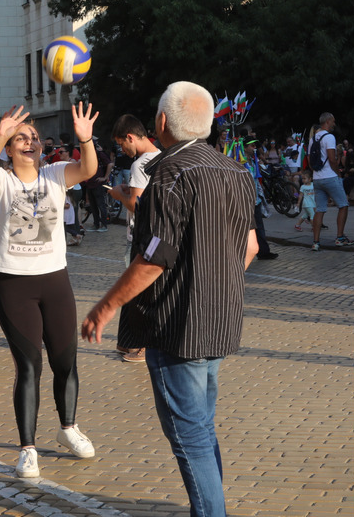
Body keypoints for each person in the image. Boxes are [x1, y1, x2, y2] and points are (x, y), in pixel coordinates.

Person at [82, 81, 259, 516]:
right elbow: (250, 247)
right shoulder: (235, 171)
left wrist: (104, 307)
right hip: (220, 321)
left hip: (178, 326)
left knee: (189, 436)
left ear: (161, 122)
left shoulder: (170, 172)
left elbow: (155, 257)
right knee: (202, 429)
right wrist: (216, 282)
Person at [0, 103, 100, 479]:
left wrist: (86, 139)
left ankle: (68, 428)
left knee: (66, 362)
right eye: (21, 139)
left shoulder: (55, 174)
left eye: (33, 138)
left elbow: (90, 169)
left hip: (55, 281)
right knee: (29, 366)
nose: (29, 143)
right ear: (10, 149)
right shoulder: (2, 180)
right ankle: (27, 449)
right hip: (14, 284)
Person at [107, 114, 161, 363]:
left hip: (142, 235)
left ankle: (142, 345)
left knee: (139, 290)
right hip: (155, 234)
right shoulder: (161, 157)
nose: (122, 149)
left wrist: (119, 194)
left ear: (130, 137)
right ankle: (128, 342)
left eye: (121, 143)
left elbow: (137, 206)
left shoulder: (141, 164)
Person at [310, 113, 354, 250]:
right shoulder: (329, 137)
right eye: (333, 121)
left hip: (317, 178)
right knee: (343, 205)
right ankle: (340, 237)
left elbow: (310, 160)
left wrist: (315, 173)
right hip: (330, 177)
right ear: (328, 121)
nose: (334, 124)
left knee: (320, 209)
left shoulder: (313, 138)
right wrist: (337, 173)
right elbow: (332, 158)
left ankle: (316, 242)